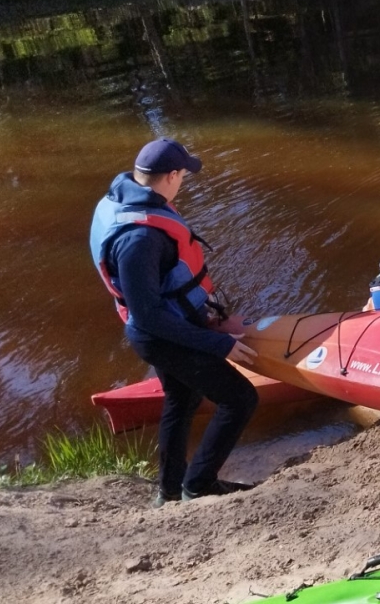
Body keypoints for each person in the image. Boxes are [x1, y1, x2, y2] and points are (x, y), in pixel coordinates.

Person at [89, 138, 258, 506]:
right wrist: (219, 344)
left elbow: (168, 284)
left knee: (182, 399)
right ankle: (199, 485)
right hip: (159, 334)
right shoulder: (138, 238)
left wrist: (211, 318)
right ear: (169, 177)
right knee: (240, 398)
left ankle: (169, 490)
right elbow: (148, 316)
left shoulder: (126, 199)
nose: (183, 181)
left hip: (171, 323)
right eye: (182, 175)